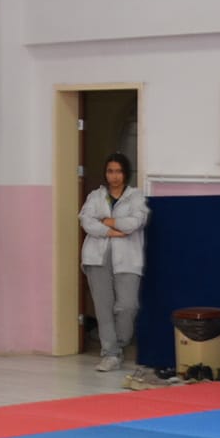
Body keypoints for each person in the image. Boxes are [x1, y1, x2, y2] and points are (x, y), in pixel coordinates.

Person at [79, 152, 150, 372]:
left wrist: (108, 221)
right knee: (104, 308)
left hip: (128, 258)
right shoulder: (96, 196)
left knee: (128, 305)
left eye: (118, 171)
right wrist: (110, 232)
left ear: (125, 173)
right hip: (97, 258)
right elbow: (86, 221)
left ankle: (119, 342)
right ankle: (110, 354)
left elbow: (135, 222)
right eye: (110, 171)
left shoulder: (136, 197)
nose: (114, 176)